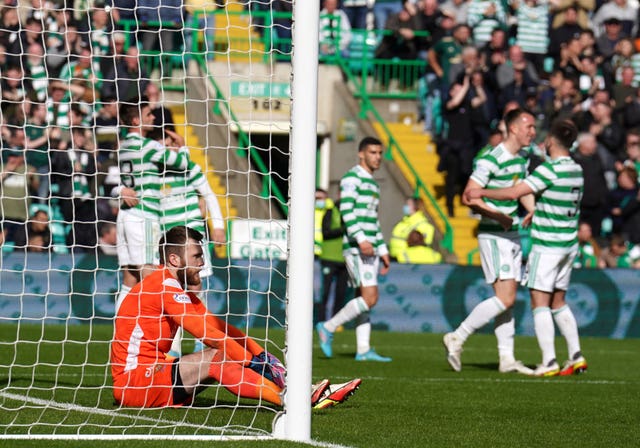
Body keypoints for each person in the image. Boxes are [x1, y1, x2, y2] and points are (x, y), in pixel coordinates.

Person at [111, 225, 361, 408]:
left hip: (157, 374)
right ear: (174, 259)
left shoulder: (173, 287)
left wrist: (262, 356)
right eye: (197, 256)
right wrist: (248, 361)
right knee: (218, 356)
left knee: (224, 353)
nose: (202, 262)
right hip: (134, 383)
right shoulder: (164, 286)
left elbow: (222, 328)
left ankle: (299, 391)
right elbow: (206, 335)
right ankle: (291, 401)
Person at [467, 118, 588, 376]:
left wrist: (481, 192)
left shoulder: (549, 169)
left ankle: (549, 361)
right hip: (569, 244)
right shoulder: (577, 169)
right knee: (559, 301)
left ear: (551, 142)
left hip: (548, 244)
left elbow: (513, 193)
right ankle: (576, 355)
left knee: (539, 302)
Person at [442, 108, 536, 375]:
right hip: (494, 234)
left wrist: (531, 209)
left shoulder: (522, 157)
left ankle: (506, 359)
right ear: (514, 128)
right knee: (505, 299)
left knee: (506, 298)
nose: (533, 131)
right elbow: (469, 196)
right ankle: (457, 336)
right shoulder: (491, 159)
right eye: (528, 126)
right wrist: (498, 215)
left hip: (511, 232)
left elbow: (521, 187)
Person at [316, 137, 392, 362]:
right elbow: (347, 212)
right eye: (372, 152)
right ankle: (328, 327)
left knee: (362, 297)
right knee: (370, 298)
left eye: (379, 153)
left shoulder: (373, 183)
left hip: (370, 247)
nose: (377, 157)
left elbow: (373, 220)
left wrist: (383, 248)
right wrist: (361, 240)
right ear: (361, 154)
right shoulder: (351, 179)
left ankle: (363, 349)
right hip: (358, 248)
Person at [114, 97, 192, 310]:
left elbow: (114, 179)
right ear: (135, 120)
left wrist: (119, 190)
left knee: (129, 278)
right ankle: (159, 332)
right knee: (151, 274)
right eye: (148, 114)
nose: (153, 117)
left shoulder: (124, 146)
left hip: (125, 215)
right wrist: (183, 147)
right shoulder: (147, 146)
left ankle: (119, 334)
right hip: (143, 215)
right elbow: (183, 163)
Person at [318, 192, 349, 323]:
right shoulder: (331, 212)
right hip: (329, 258)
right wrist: (343, 230)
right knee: (325, 292)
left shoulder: (351, 213)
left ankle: (336, 322)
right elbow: (326, 232)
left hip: (346, 259)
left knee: (341, 294)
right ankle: (321, 320)